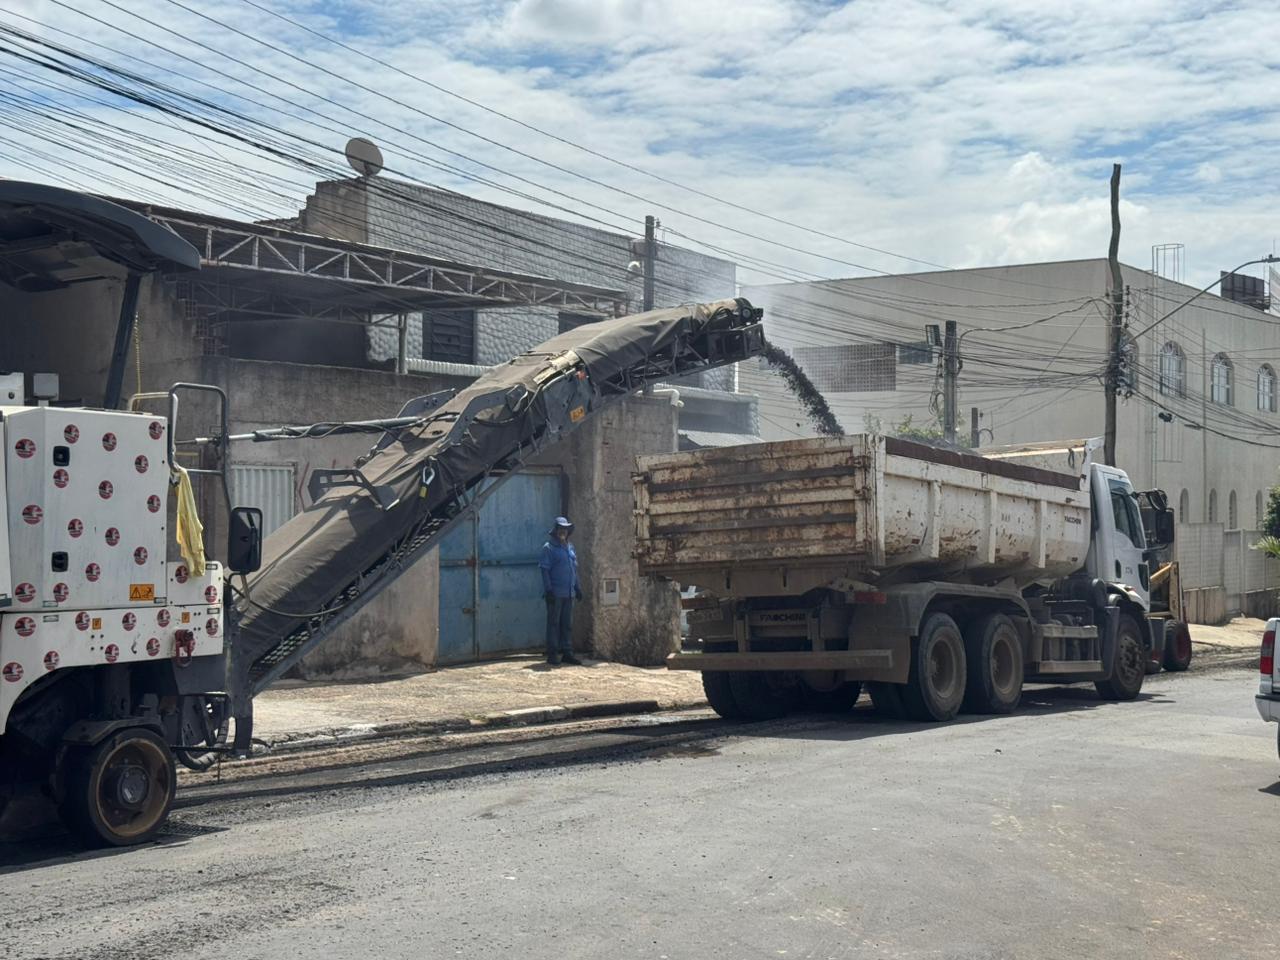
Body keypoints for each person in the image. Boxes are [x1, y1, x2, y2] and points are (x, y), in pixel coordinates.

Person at [539, 516, 583, 666]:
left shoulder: (570, 547)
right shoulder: (548, 548)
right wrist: (548, 590)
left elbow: (574, 570)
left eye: (565, 529)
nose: (563, 532)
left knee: (567, 624)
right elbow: (544, 571)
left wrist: (577, 588)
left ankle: (567, 653)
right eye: (560, 529)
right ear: (555, 531)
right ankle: (552, 654)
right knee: (553, 624)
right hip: (555, 594)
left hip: (569, 593)